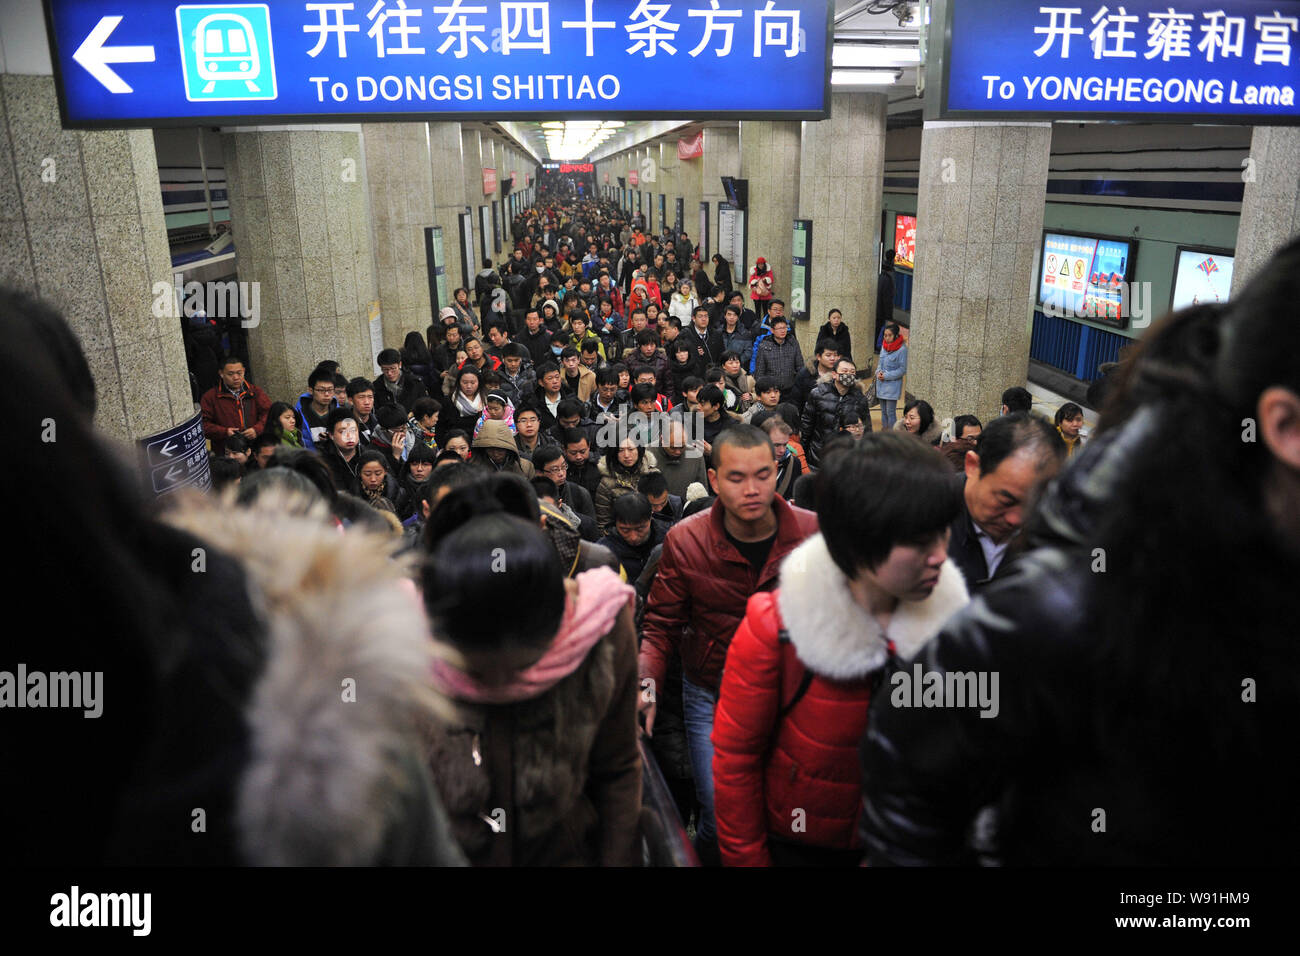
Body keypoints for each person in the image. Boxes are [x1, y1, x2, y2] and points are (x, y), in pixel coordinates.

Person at [861, 244, 1300, 865]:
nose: (1016, 520)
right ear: (1285, 426)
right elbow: (908, 752)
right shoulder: (1074, 600)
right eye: (1006, 499)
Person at [712, 434, 970, 866]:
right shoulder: (777, 627)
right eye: (920, 542)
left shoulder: (957, 633)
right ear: (859, 540)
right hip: (800, 843)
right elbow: (735, 761)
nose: (940, 557)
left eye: (944, 534)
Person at [421, 480, 641, 866]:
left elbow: (618, 767)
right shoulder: (404, 644)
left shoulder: (595, 630)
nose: (504, 671)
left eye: (525, 649)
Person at [639, 425, 819, 865]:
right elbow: (662, 623)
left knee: (791, 816)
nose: (753, 489)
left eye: (763, 474)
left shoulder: (812, 534)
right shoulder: (686, 540)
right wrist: (646, 683)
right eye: (737, 478)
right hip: (711, 692)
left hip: (792, 693)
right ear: (715, 479)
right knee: (721, 818)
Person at [946, 412, 1065, 589]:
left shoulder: (1059, 530)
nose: (1016, 520)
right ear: (972, 465)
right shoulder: (923, 514)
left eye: (1033, 506)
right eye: (1005, 501)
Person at [802, 357, 870, 468]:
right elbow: (807, 425)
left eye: (852, 372)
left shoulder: (860, 399)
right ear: (834, 374)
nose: (848, 375)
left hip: (847, 458)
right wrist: (803, 452)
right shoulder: (818, 394)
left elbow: (867, 428)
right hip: (818, 456)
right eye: (844, 371)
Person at [200, 356, 271, 456]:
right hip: (226, 451)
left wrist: (257, 429)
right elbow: (203, 425)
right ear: (221, 374)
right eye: (230, 374)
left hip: (255, 447)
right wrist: (224, 432)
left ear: (244, 371)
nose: (236, 377)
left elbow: (269, 413)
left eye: (239, 373)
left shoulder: (255, 392)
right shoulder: (210, 397)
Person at [598, 491, 668, 583]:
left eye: (640, 529)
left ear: (650, 517)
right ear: (615, 523)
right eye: (625, 530)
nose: (633, 537)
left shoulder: (668, 543)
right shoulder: (603, 551)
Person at [595, 435, 659, 534]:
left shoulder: (653, 475)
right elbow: (603, 523)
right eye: (620, 450)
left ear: (639, 450)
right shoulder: (607, 483)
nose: (626, 455)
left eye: (631, 449)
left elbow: (662, 511)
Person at [652, 418, 709, 500]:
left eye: (682, 447)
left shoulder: (695, 456)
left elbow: (702, 492)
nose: (678, 452)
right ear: (662, 439)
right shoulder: (648, 453)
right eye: (673, 447)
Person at [753, 315, 804, 403]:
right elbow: (759, 372)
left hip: (790, 390)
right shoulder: (764, 346)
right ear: (772, 330)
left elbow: (800, 365)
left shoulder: (793, 343)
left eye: (784, 328)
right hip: (772, 392)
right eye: (779, 328)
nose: (783, 331)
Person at [470, 419, 536, 479]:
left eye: (500, 450)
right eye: (490, 450)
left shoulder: (526, 467)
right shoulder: (474, 468)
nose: (495, 454)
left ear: (508, 448)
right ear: (483, 448)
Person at [319, 408, 363, 492]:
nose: (349, 436)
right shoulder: (323, 463)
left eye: (353, 431)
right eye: (342, 432)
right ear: (331, 435)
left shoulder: (369, 456)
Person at [791, 338, 840, 414]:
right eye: (828, 355)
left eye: (835, 355)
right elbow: (796, 400)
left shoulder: (840, 374)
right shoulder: (805, 374)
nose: (833, 358)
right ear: (818, 356)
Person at [760, 416, 803, 501]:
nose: (782, 450)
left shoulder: (794, 463)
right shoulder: (751, 463)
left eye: (785, 444)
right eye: (776, 445)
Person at [373, 348, 428, 412]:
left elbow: (425, 405)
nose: (389, 373)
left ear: (400, 365)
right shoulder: (377, 386)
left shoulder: (415, 383)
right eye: (385, 369)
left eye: (393, 368)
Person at [876, 322, 907, 429]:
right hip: (881, 384)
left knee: (890, 412)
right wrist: (878, 372)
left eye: (890, 335)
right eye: (885, 335)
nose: (887, 338)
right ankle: (884, 432)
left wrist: (886, 376)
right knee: (883, 412)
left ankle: (892, 435)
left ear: (896, 335)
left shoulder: (902, 349)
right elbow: (879, 364)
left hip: (892, 386)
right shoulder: (884, 347)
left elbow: (902, 370)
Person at [875, 249, 895, 353]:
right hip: (881, 310)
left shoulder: (879, 273)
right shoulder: (888, 278)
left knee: (877, 327)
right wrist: (889, 315)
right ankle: (877, 347)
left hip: (877, 307)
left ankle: (875, 345)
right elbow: (887, 298)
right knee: (879, 328)